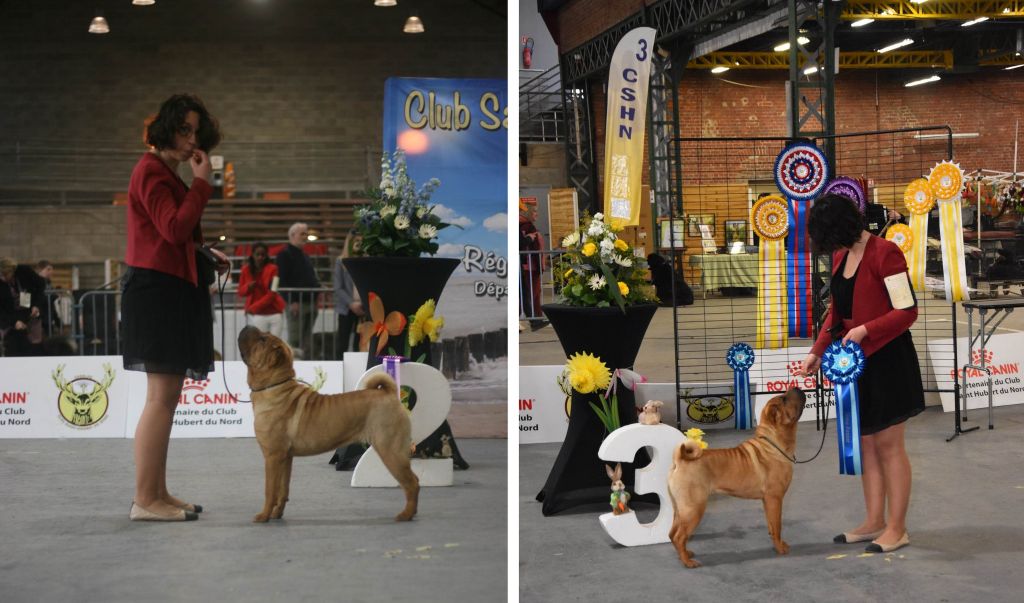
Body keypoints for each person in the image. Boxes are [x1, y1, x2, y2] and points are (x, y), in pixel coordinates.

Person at [121, 93, 228, 521]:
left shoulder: (165, 173)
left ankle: (158, 493)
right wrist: (204, 182)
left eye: (196, 132)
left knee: (166, 399)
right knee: (160, 400)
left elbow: (176, 235)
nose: (191, 141)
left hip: (168, 288)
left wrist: (202, 254)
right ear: (166, 129)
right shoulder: (151, 171)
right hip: (156, 293)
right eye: (184, 130)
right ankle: (145, 500)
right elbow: (172, 227)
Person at [798, 193, 924, 553]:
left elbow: (907, 311)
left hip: (887, 360)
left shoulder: (886, 253)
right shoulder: (841, 255)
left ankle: (897, 528)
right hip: (855, 361)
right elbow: (836, 312)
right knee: (866, 443)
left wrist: (866, 330)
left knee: (888, 445)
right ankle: (874, 521)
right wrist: (816, 352)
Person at [276, 222, 321, 359]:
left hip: (310, 303)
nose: (305, 236)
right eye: (302, 233)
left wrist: (318, 288)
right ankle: (293, 367)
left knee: (307, 340)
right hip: (297, 304)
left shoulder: (305, 256)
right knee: (295, 339)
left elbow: (311, 277)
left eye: (306, 233)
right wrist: (292, 301)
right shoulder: (284, 255)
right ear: (292, 235)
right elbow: (282, 282)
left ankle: (305, 367)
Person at [237, 242, 285, 337]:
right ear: (252, 255)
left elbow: (272, 293)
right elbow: (240, 292)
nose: (260, 257)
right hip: (257, 315)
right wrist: (248, 287)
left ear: (266, 255)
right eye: (257, 254)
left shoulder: (274, 269)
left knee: (274, 345)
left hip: (274, 313)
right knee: (260, 345)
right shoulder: (245, 270)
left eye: (263, 255)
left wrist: (253, 308)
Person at [0, 257, 45, 356]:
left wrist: (36, 305)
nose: (3, 278)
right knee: (13, 347)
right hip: (9, 318)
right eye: (1, 275)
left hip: (30, 314)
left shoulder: (24, 271)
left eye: (6, 274)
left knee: (35, 347)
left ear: (13, 270)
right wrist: (14, 322)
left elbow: (41, 284)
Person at [332, 231, 364, 357]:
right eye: (356, 241)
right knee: (342, 343)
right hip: (346, 308)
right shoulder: (340, 261)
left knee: (360, 343)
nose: (358, 245)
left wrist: (362, 304)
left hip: (363, 309)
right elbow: (338, 287)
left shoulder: (366, 260)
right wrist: (351, 303)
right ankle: (339, 368)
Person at [518, 200, 546, 330]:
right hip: (528, 265)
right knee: (528, 294)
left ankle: (535, 321)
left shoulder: (524, 225)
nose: (536, 214)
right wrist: (530, 238)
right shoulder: (525, 225)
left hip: (528, 265)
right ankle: (534, 320)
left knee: (526, 294)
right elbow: (520, 243)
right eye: (534, 211)